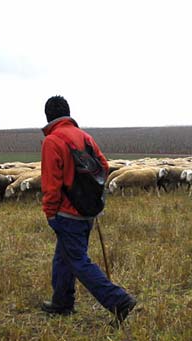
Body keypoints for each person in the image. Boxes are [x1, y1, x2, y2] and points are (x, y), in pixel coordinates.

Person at [39, 95, 137, 327]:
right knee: (63, 257)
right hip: (87, 212)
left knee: (78, 261)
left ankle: (118, 301)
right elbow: (103, 167)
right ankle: (62, 302)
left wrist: (50, 213)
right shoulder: (85, 137)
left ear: (48, 116)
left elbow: (51, 183)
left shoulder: (53, 141)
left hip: (66, 212)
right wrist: (92, 194)